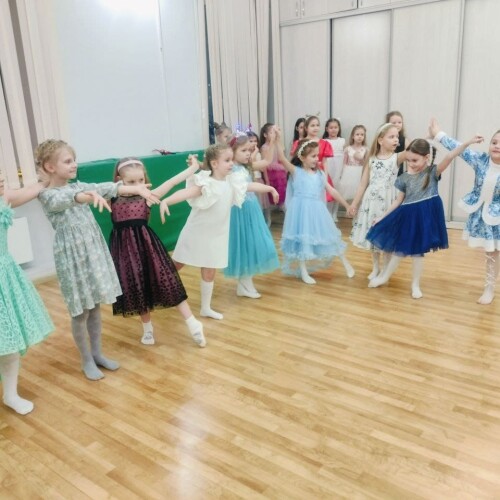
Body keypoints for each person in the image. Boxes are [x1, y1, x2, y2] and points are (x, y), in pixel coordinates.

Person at [37, 139, 159, 380]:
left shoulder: (79, 185)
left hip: (92, 252)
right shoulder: (47, 195)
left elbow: (108, 188)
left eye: (74, 160)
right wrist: (87, 196)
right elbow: (70, 199)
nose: (74, 164)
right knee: (80, 312)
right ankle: (86, 360)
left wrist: (135, 189)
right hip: (72, 257)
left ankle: (97, 354)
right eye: (68, 161)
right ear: (50, 167)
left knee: (94, 308)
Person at [159, 144, 278, 319]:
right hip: (196, 232)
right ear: (214, 164)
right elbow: (187, 192)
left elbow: (250, 185)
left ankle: (205, 308)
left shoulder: (232, 181)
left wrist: (270, 188)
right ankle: (157, 286)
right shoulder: (206, 183)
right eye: (227, 160)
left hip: (216, 235)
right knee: (177, 263)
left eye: (231, 160)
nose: (231, 163)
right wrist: (166, 201)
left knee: (210, 270)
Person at [366, 136, 483, 298]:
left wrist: (468, 142)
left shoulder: (433, 172)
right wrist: (382, 217)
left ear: (426, 157)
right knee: (399, 250)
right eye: (408, 160)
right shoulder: (404, 178)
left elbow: (450, 155)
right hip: (408, 217)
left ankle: (415, 284)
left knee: (418, 253)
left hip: (424, 218)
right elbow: (398, 201)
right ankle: (384, 277)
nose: (411, 164)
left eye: (414, 160)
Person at [110, 157, 206, 347]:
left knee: (168, 281)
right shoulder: (111, 197)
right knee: (137, 287)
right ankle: (147, 330)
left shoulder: (148, 196)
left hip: (147, 247)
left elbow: (172, 182)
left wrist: (194, 167)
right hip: (125, 252)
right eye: (131, 182)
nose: (138, 185)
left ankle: (193, 323)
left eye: (141, 180)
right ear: (119, 180)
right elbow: (95, 190)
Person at [429, 118, 500, 304]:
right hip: (483, 214)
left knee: (495, 252)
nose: (497, 146)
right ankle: (489, 288)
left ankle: (490, 287)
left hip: (498, 215)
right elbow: (459, 148)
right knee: (492, 252)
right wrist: (438, 135)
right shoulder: (481, 160)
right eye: (494, 142)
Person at [0, 178, 53, 414]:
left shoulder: (5, 197)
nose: (1, 179)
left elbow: (30, 190)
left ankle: (10, 394)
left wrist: (45, 180)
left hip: (5, 277)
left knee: (9, 341)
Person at [277, 138, 355, 284]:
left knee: (330, 236)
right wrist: (276, 139)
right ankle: (303, 270)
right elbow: (281, 158)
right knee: (302, 239)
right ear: (302, 157)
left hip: (317, 210)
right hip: (300, 210)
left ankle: (345, 263)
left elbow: (332, 190)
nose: (317, 159)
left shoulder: (320, 174)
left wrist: (346, 205)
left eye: (317, 155)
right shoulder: (296, 172)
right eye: (313, 156)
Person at [349, 123, 408, 279]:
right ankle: (375, 267)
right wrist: (354, 204)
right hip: (371, 202)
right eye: (391, 137)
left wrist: (429, 137)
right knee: (373, 235)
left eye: (397, 137)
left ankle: (386, 269)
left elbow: (412, 150)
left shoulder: (396, 157)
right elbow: (363, 184)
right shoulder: (371, 159)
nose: (396, 140)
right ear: (380, 140)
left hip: (389, 201)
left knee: (387, 236)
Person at [225, 133, 280, 298]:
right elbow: (247, 186)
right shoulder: (230, 169)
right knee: (245, 245)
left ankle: (244, 283)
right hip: (239, 211)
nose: (248, 153)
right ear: (232, 151)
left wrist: (272, 141)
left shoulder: (245, 167)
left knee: (252, 244)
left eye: (249, 150)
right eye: (243, 150)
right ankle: (245, 283)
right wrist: (270, 188)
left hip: (251, 208)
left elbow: (267, 161)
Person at [291, 115, 334, 203]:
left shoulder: (324, 143)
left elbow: (325, 162)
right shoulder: (299, 143)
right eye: (312, 125)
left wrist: (325, 177)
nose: (315, 128)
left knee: (320, 198)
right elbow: (295, 161)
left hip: (319, 172)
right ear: (306, 128)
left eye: (317, 125)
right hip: (304, 172)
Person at [260, 123, 287, 212]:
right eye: (271, 132)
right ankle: (272, 208)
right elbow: (264, 165)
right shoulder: (264, 147)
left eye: (274, 132)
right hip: (271, 173)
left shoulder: (277, 144)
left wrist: (278, 138)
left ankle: (282, 206)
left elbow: (282, 155)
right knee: (272, 191)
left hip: (280, 172)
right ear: (265, 135)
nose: (273, 134)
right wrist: (267, 180)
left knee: (282, 190)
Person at [247, 129, 272, 226]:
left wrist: (267, 180)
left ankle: (264, 222)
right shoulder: (247, 154)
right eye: (251, 141)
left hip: (258, 179)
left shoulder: (258, 154)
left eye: (255, 141)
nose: (254, 143)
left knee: (262, 203)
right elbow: (249, 164)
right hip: (251, 181)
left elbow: (263, 169)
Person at [323, 118, 345, 220]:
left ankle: (335, 212)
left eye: (335, 127)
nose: (333, 129)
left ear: (339, 128)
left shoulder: (342, 141)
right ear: (327, 129)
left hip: (339, 166)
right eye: (331, 127)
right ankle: (327, 212)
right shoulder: (324, 141)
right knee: (328, 189)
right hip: (328, 166)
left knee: (337, 189)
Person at [339, 125, 367, 203]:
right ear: (353, 136)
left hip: (360, 172)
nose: (360, 136)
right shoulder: (347, 149)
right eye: (357, 134)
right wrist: (341, 174)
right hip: (348, 173)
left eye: (362, 135)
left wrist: (361, 159)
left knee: (358, 191)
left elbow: (366, 163)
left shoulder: (365, 149)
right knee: (348, 191)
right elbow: (344, 162)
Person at [386, 111, 409, 176]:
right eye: (394, 123)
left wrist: (408, 174)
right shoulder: (383, 139)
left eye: (399, 122)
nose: (397, 124)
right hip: (384, 172)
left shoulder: (405, 140)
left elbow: (410, 158)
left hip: (398, 175)